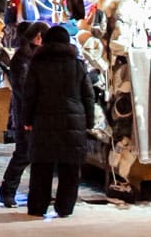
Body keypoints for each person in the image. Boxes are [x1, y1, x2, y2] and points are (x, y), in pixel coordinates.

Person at [22, 24, 96, 218]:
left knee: (41, 167)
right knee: (70, 168)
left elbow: (29, 95)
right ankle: (65, 207)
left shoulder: (37, 64)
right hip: (73, 123)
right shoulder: (77, 64)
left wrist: (26, 120)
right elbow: (88, 96)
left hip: (43, 120)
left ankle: (38, 207)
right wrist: (89, 122)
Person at [0, 21, 47, 206]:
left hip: (36, 113)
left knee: (37, 155)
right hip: (26, 114)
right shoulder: (23, 59)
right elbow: (23, 89)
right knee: (23, 153)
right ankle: (7, 192)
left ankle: (37, 192)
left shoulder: (35, 56)